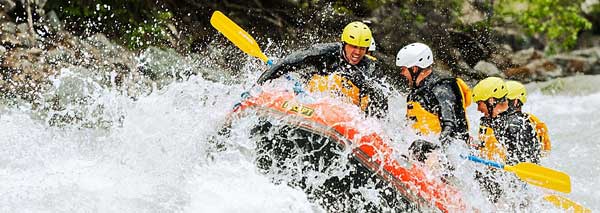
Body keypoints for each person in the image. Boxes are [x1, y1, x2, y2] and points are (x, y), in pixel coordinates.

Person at [257, 21, 387, 118]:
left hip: (347, 116)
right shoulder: (324, 53)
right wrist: (258, 86)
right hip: (312, 102)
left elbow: (381, 102)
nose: (357, 52)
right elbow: (287, 63)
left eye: (362, 48)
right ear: (344, 44)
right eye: (353, 46)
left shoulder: (371, 68)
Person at [471, 77, 541, 203]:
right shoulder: (492, 121)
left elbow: (528, 161)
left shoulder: (516, 125)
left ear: (491, 100)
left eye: (479, 103)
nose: (478, 109)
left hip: (513, 189)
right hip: (492, 180)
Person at [395, 42, 471, 149]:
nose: (402, 73)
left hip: (450, 153)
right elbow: (409, 126)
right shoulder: (415, 94)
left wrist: (435, 148)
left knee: (418, 147)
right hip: (424, 148)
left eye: (403, 69)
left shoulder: (442, 88)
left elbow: (451, 127)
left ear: (414, 69)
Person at [505, 80, 551, 156]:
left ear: (515, 102)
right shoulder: (532, 119)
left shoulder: (515, 124)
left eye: (503, 100)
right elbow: (545, 151)